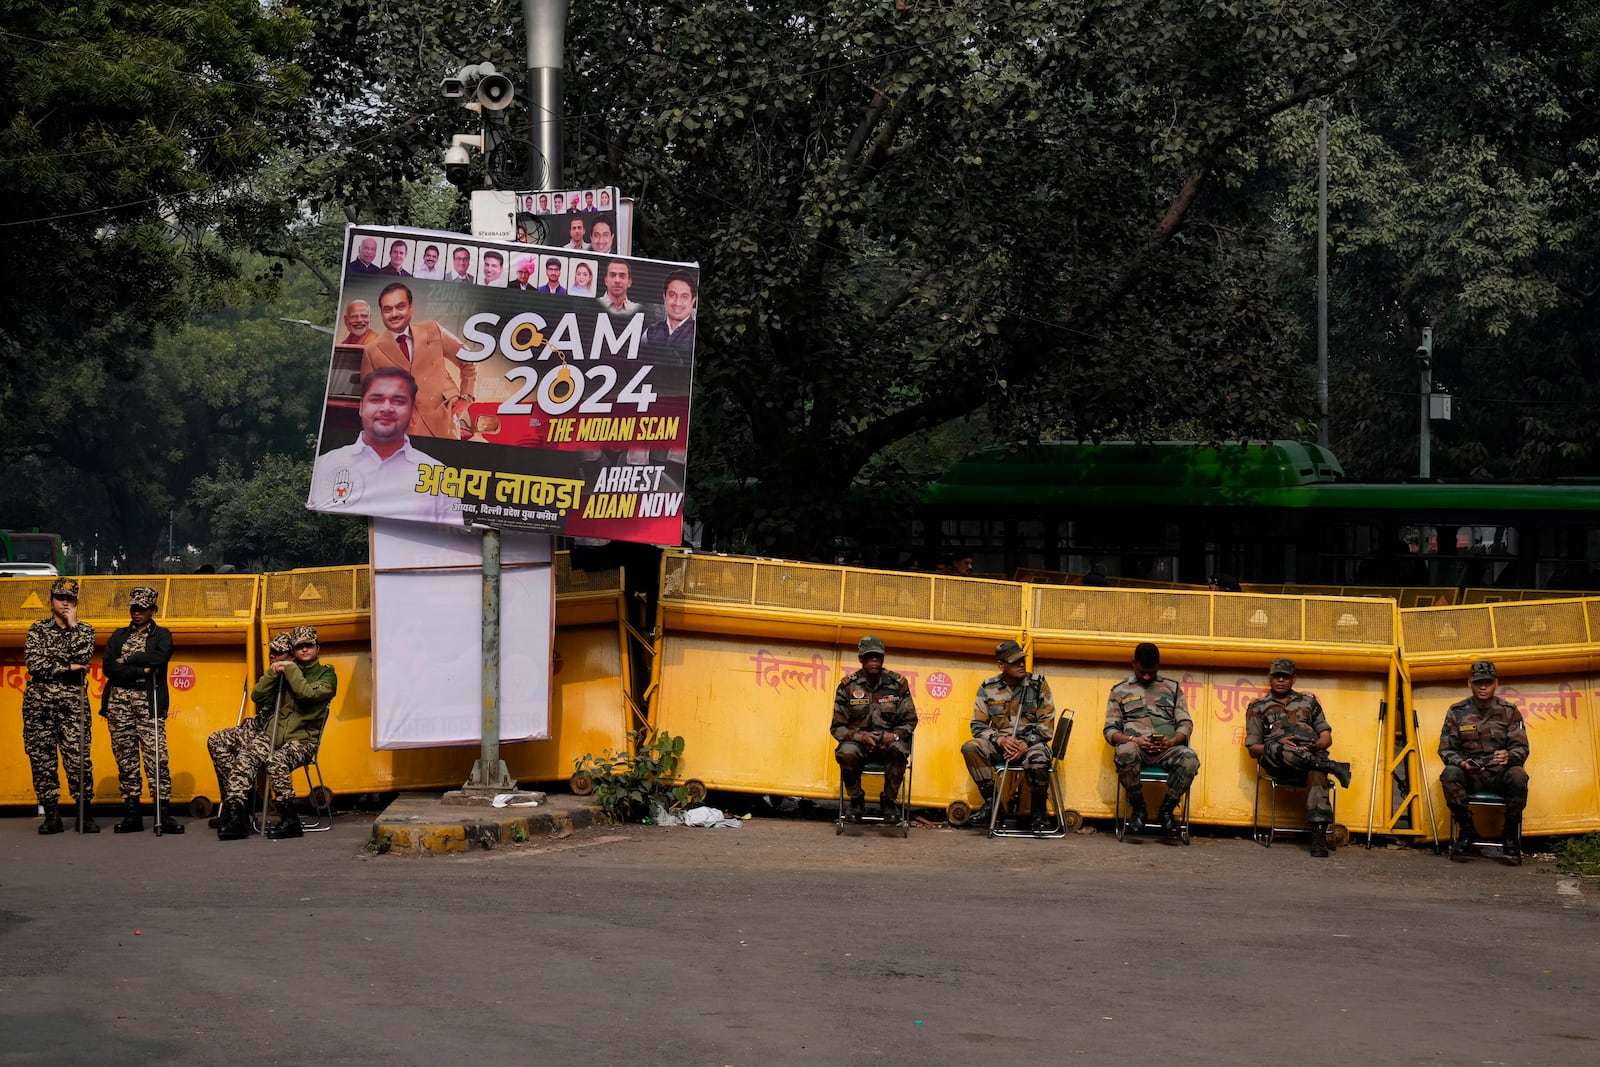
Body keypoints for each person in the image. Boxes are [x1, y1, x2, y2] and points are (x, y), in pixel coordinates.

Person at [212, 625, 337, 841]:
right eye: (299, 647)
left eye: (309, 646)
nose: (304, 650)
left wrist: (290, 669)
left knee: (276, 760)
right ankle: (236, 814)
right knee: (245, 758)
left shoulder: (327, 674)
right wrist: (273, 671)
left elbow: (305, 694)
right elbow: (257, 695)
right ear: (294, 650)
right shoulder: (284, 671)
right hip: (273, 736)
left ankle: (290, 819)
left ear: (317, 648)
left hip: (302, 741)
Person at [308, 367, 461, 524]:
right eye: (376, 399)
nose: (387, 408)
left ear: (412, 412)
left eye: (398, 401)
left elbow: (454, 539)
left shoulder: (440, 475)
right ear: (361, 407)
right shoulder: (325, 464)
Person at [1244, 657, 1352, 858]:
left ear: (1294, 679)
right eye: (1276, 676)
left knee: (1317, 773)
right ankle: (1333, 767)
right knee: (1278, 746)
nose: (1280, 680)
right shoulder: (1258, 707)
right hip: (1278, 761)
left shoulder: (1308, 702)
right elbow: (1253, 749)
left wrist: (1316, 745)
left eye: (1285, 676)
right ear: (1269, 677)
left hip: (1309, 753)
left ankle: (1318, 837)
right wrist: (1275, 744)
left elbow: (1326, 737)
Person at [100, 585, 181, 834]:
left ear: (153, 610)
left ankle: (162, 813)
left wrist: (130, 659)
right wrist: (140, 669)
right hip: (119, 703)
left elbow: (159, 658)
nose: (137, 613)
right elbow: (109, 667)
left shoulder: (162, 635)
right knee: (126, 759)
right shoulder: (119, 635)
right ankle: (132, 814)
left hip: (149, 701)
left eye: (143, 609)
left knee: (157, 758)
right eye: (134, 608)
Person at [21, 578, 98, 834]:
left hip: (72, 703)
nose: (64, 603)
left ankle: (83, 814)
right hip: (39, 704)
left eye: (70, 599)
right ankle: (51, 814)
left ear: (76, 602)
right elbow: (35, 664)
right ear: (50, 600)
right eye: (59, 598)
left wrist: (73, 625)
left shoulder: (85, 630)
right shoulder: (37, 630)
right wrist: (68, 667)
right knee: (42, 759)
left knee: (78, 758)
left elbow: (83, 656)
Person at [1440, 660, 1530, 864]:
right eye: (1478, 682)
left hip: (1500, 773)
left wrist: (1509, 756)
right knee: (1449, 774)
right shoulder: (1457, 711)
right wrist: (1462, 763)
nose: (1483, 687)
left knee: (1519, 776)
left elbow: (1521, 748)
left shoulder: (1509, 710)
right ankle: (1467, 830)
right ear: (1469, 683)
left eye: (1487, 682)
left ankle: (1509, 835)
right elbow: (1446, 749)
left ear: (1496, 683)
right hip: (1472, 774)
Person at [360, 283, 477, 440]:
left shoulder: (432, 329)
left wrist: (467, 397)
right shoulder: (372, 351)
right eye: (387, 309)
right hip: (404, 435)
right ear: (381, 313)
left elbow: (469, 360)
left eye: (400, 306)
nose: (394, 314)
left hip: (445, 425)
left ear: (411, 308)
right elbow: (370, 399)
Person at [1104, 641, 1200, 833]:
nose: (1146, 676)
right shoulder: (1119, 690)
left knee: (1190, 759)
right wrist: (1134, 740)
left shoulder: (1172, 688)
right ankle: (1138, 808)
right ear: (1133, 663)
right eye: (1142, 672)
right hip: (1136, 749)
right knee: (1125, 752)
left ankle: (1167, 810)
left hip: (1168, 750)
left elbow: (1186, 723)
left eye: (1151, 671)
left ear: (1158, 665)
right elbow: (1110, 730)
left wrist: (1172, 741)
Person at [960, 640, 1057, 829]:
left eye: (1022, 660)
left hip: (1031, 744)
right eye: (1014, 662)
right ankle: (994, 805)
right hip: (1002, 745)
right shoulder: (988, 687)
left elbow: (1047, 723)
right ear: (1001, 665)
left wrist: (1025, 745)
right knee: (971, 748)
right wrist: (1001, 740)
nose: (1021, 664)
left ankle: (1039, 814)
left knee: (1038, 760)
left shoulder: (1038, 684)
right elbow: (978, 725)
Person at [205, 631, 291, 827]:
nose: (272, 656)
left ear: (291, 655)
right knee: (216, 740)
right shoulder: (273, 674)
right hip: (258, 728)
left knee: (246, 754)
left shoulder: (295, 677)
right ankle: (234, 803)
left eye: (279, 652)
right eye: (271, 651)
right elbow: (257, 696)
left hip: (276, 734)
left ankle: (239, 807)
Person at [830, 636, 917, 819]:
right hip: (859, 744)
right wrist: (861, 737)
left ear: (883, 658)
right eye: (869, 657)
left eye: (877, 657)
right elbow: (837, 728)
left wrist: (891, 736)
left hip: (888, 745)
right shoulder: (848, 686)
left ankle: (889, 802)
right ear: (861, 659)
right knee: (846, 752)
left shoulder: (897, 684)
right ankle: (856, 801)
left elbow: (910, 722)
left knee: (900, 749)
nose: (874, 661)